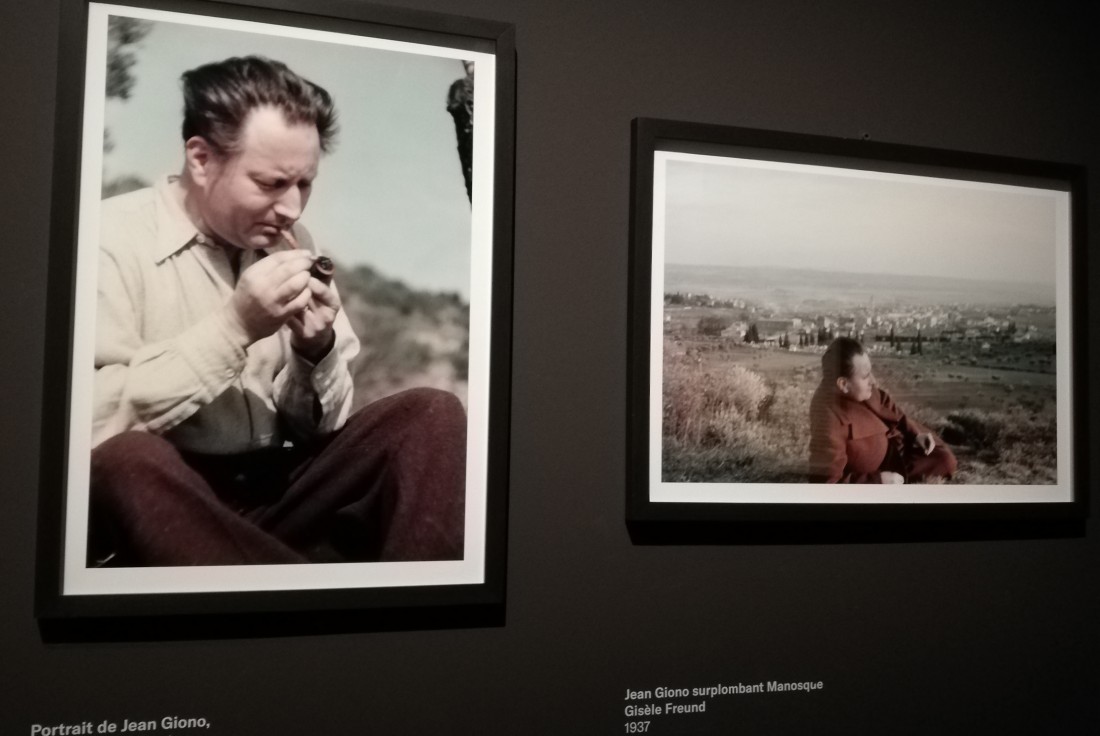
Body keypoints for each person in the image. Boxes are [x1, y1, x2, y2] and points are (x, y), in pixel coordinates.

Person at [88, 56, 465, 566]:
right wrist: (236, 327)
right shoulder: (108, 239)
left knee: (429, 414)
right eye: (270, 184)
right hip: (171, 502)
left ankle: (424, 622)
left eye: (304, 183)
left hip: (278, 489)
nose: (292, 208)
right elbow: (97, 432)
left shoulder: (291, 242)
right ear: (200, 159)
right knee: (125, 461)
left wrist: (316, 351)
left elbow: (323, 428)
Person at [808, 337, 956, 484]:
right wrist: (877, 481)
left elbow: (887, 405)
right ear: (843, 384)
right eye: (866, 376)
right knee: (944, 462)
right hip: (884, 468)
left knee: (944, 459)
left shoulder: (859, 390)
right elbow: (826, 484)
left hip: (900, 449)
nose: (874, 381)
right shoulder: (827, 418)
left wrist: (914, 433)